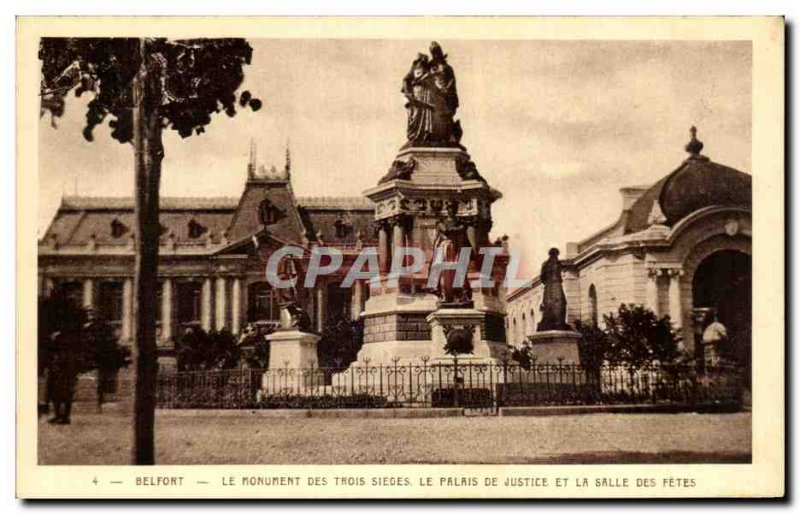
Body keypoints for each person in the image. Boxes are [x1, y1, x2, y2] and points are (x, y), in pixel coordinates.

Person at [402, 53, 435, 144]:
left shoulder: (428, 70)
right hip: (416, 94)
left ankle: (424, 134)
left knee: (426, 113)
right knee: (415, 115)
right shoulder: (413, 69)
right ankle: (414, 135)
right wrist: (408, 93)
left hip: (426, 93)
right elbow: (405, 80)